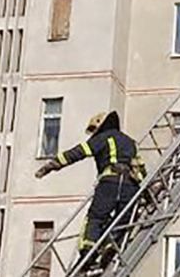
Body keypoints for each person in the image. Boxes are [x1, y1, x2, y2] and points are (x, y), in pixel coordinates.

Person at [35, 111, 144, 271]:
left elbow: (78, 152)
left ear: (100, 126)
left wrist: (53, 164)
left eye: (94, 130)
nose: (93, 133)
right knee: (123, 220)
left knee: (95, 219)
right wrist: (146, 194)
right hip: (130, 186)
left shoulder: (102, 138)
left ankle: (88, 253)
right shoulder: (130, 142)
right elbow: (140, 168)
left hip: (109, 183)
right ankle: (110, 245)